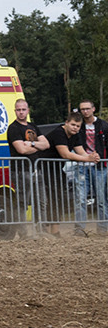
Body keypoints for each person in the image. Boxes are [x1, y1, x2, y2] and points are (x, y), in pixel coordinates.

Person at [45, 112, 99, 236]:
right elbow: (66, 154)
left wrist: (92, 157)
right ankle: (45, 230)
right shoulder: (59, 133)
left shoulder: (76, 135)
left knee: (59, 198)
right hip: (43, 168)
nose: (75, 128)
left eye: (78, 126)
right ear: (66, 123)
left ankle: (55, 231)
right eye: (73, 125)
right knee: (48, 199)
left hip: (57, 169)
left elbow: (81, 152)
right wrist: (87, 159)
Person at [5, 99, 50, 231]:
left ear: (28, 111)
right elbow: (21, 150)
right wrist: (38, 146)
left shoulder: (33, 127)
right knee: (22, 202)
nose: (21, 112)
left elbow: (46, 144)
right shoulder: (13, 128)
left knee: (42, 201)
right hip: (21, 170)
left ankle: (41, 229)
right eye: (18, 110)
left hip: (36, 169)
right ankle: (23, 232)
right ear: (15, 111)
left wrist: (31, 144)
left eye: (23, 109)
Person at [74, 100, 108, 235]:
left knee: (101, 198)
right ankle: (79, 229)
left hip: (100, 166)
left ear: (93, 109)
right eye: (82, 109)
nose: (85, 111)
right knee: (80, 198)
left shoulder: (103, 125)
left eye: (88, 108)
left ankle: (103, 228)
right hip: (82, 165)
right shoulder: (78, 126)